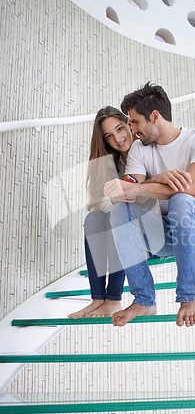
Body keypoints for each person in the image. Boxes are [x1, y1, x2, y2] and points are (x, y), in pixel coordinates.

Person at [103, 82, 195, 327]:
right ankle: (144, 299)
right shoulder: (140, 150)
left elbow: (194, 189)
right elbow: (125, 194)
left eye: (135, 121)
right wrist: (155, 180)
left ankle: (189, 298)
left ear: (155, 116)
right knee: (119, 211)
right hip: (165, 234)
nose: (131, 129)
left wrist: (139, 187)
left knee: (182, 199)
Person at [68, 106, 133, 318]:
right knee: (94, 219)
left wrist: (116, 200)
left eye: (120, 129)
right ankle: (98, 297)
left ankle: (114, 298)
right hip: (123, 221)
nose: (118, 138)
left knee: (117, 215)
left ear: (129, 125)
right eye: (109, 136)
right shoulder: (112, 162)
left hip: (146, 227)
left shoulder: (145, 150)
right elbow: (100, 203)